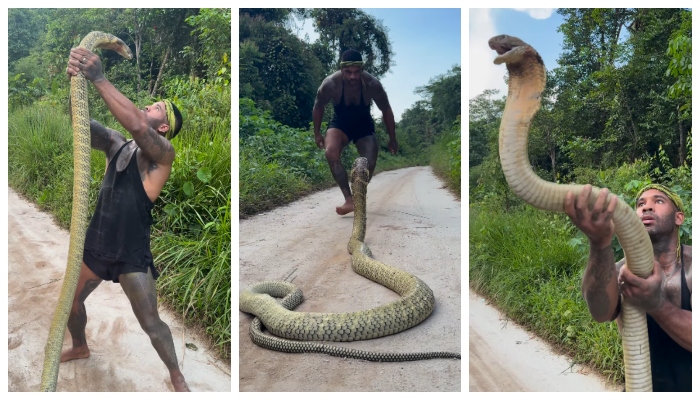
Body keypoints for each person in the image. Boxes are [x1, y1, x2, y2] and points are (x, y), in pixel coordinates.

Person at [62, 47, 189, 391]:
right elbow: (78, 121)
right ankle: (80, 345)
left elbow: (134, 122)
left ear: (163, 126)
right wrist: (74, 82)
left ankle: (176, 374)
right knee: (69, 304)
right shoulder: (116, 143)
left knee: (151, 323)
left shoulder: (162, 155)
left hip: (131, 254)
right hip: (97, 246)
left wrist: (99, 77)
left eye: (156, 108)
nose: (148, 106)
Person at [565, 184, 691, 391]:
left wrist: (657, 306)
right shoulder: (618, 270)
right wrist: (598, 242)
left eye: (658, 201)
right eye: (640, 204)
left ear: (679, 217)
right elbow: (600, 313)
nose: (647, 207)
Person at [312, 49, 398, 215]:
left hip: (363, 124)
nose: (353, 77)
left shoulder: (372, 85)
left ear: (362, 70)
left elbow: (386, 109)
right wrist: (317, 133)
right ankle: (349, 199)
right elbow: (318, 106)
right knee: (331, 153)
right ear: (341, 70)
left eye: (357, 72)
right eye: (348, 72)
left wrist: (392, 138)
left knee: (370, 160)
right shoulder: (330, 84)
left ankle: (359, 193)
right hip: (340, 123)